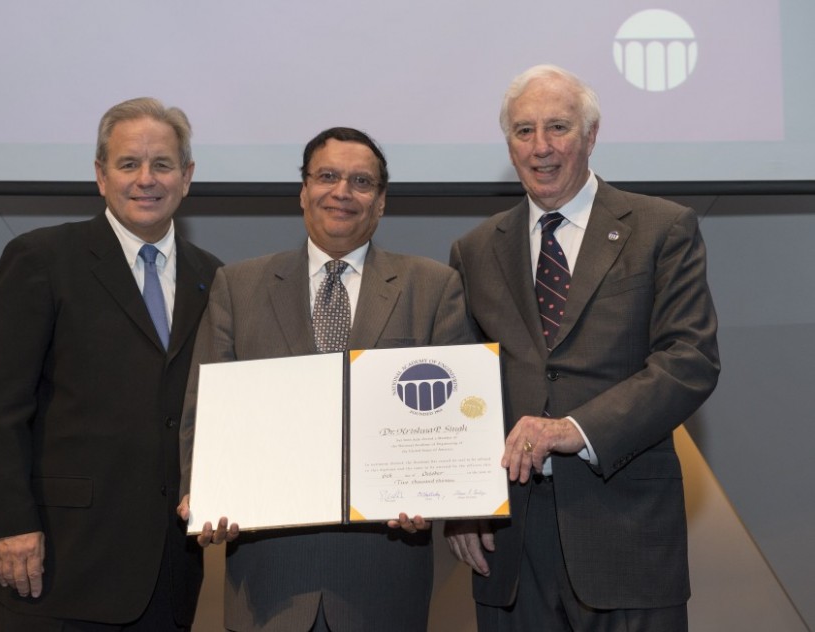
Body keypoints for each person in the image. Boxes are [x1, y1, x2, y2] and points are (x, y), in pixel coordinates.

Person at [445, 65, 721, 631]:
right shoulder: (474, 250)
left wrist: (576, 429)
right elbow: (463, 391)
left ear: (591, 135)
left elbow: (689, 360)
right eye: (524, 131)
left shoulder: (661, 228)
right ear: (509, 144)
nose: (540, 147)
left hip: (627, 532)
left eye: (558, 127)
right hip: (510, 544)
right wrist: (462, 502)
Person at [177, 127, 475, 631]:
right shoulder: (238, 287)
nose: (342, 192)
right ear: (303, 191)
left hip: (381, 581)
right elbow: (202, 414)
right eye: (327, 176)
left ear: (381, 201)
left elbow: (456, 420)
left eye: (361, 181)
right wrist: (205, 493)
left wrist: (437, 494)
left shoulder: (433, 287)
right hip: (269, 582)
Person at [0, 97, 222, 631]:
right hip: (57, 563)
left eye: (162, 164)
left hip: (168, 572)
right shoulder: (41, 259)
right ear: (101, 176)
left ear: (187, 177)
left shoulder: (214, 277)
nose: (146, 179)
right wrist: (9, 524)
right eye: (129, 164)